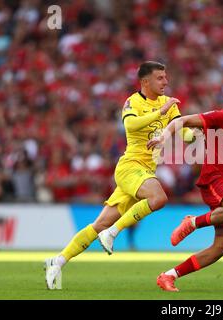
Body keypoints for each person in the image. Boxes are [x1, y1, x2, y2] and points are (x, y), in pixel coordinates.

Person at [44, 61, 195, 289]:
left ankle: (58, 260)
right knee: (159, 198)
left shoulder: (169, 104)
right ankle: (113, 233)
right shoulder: (133, 102)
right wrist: (159, 113)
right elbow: (132, 126)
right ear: (145, 82)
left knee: (99, 224)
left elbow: (183, 133)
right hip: (130, 167)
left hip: (144, 172)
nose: (166, 81)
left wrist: (199, 131)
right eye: (160, 78)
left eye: (165, 77)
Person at [147, 71, 223, 291]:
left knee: (222, 246)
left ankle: (168, 275)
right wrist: (164, 137)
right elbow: (182, 120)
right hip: (215, 179)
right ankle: (192, 222)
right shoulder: (222, 116)